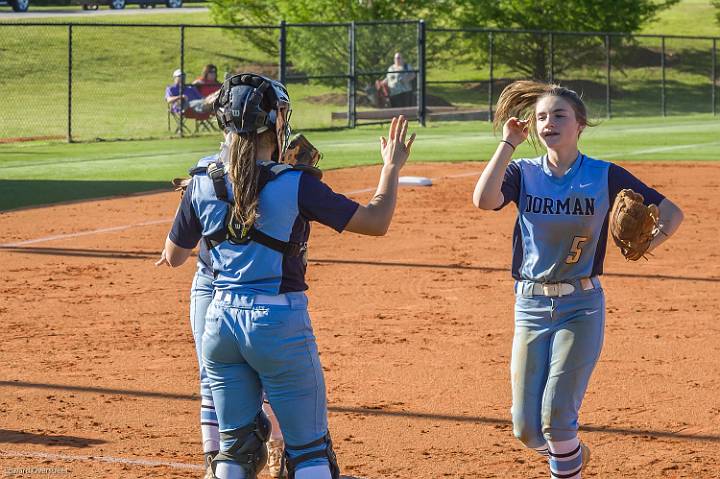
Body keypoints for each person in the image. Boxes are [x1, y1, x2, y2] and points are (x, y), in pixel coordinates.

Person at [156, 73, 415, 479]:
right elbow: (376, 220)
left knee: (236, 452)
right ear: (275, 121)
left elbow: (173, 256)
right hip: (277, 322)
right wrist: (391, 168)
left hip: (219, 322)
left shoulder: (201, 180)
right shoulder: (295, 183)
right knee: (310, 452)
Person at [472, 80, 683, 479]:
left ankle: (565, 466)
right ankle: (572, 455)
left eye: (559, 115)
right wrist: (508, 144)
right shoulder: (523, 172)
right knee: (526, 429)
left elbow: (672, 212)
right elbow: (484, 199)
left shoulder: (604, 174)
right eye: (541, 117)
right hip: (530, 306)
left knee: (556, 418)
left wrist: (649, 241)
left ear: (580, 124)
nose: (548, 122)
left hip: (581, 306)